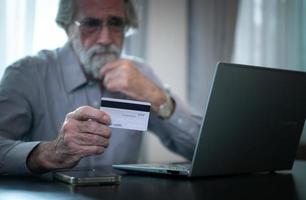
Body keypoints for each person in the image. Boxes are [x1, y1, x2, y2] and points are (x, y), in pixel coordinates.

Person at [0, 0, 201, 175]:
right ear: (67, 25)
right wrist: (49, 153)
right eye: (90, 23)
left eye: (115, 23)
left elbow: (203, 151)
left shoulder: (140, 75)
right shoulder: (26, 74)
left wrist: (156, 97)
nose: (105, 38)